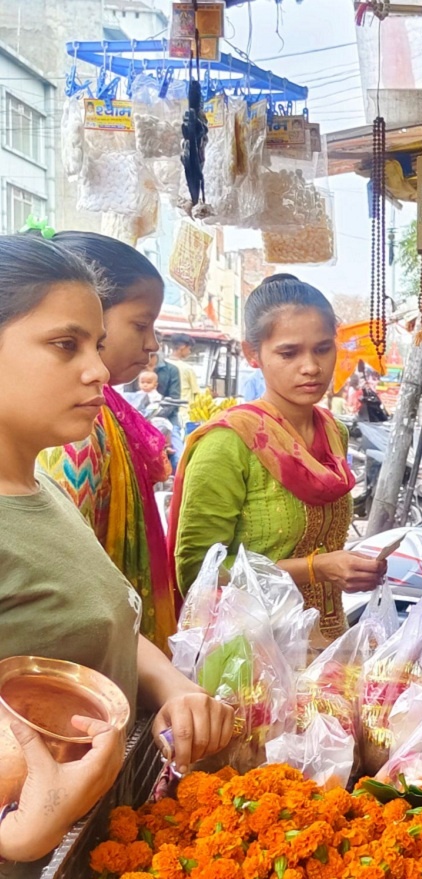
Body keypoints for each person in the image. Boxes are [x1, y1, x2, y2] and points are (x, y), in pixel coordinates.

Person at [0, 233, 232, 866]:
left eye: (97, 345)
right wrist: (26, 832)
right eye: (64, 344)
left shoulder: (42, 489)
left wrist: (171, 684)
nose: (99, 369)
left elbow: (92, 625)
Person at [170, 274, 385, 646]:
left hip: (327, 642)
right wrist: (316, 569)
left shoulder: (334, 432)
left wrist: (347, 568)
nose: (311, 367)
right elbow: (196, 573)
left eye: (322, 349)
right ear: (253, 354)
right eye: (289, 353)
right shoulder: (228, 443)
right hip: (251, 653)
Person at [37, 231, 178, 652]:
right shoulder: (74, 431)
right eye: (140, 324)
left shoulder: (109, 411)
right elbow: (67, 578)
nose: (152, 344)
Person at [149, 350, 182, 425]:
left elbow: (174, 398)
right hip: (138, 416)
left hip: (167, 417)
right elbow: (129, 397)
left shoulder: (172, 370)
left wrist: (157, 414)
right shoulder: (135, 368)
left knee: (175, 435)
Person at [167, 333, 201, 404]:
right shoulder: (187, 369)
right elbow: (197, 394)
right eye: (189, 349)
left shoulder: (163, 364)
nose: (189, 352)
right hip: (184, 409)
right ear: (182, 347)